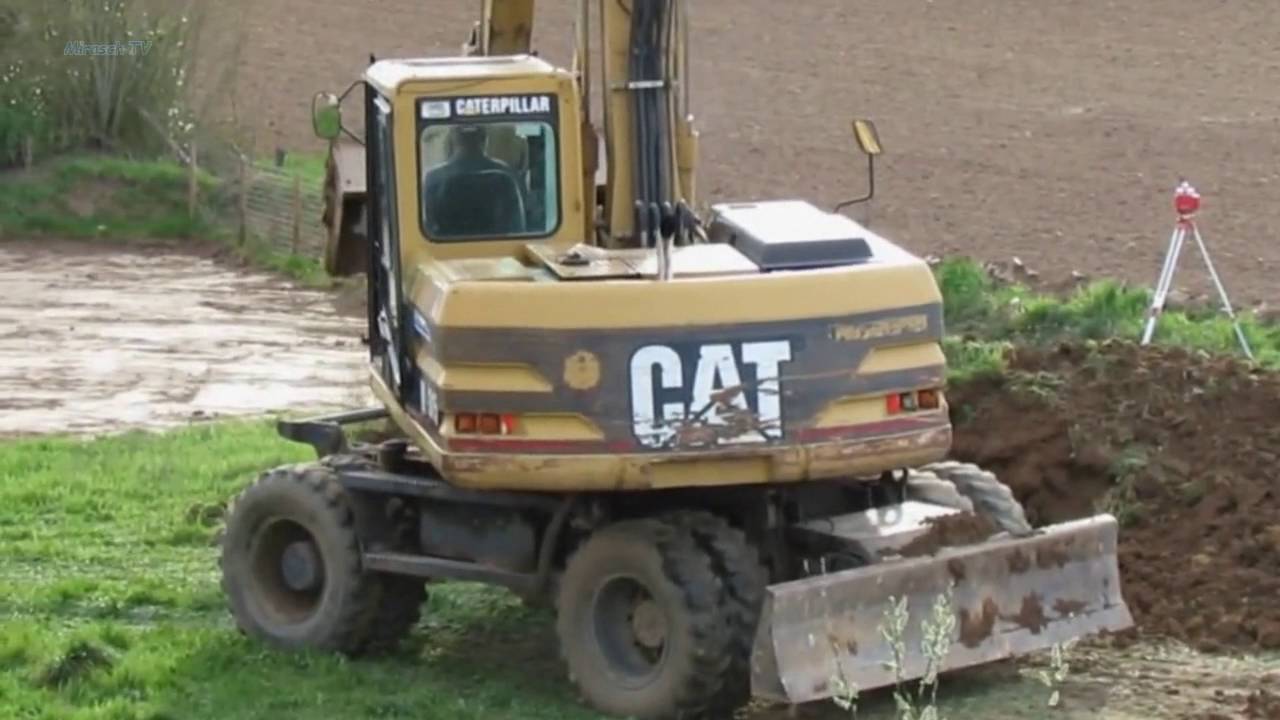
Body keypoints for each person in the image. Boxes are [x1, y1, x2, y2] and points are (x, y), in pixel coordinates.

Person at [422, 124, 527, 237]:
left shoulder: (433, 177)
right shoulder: (505, 175)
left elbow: (429, 226)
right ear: (485, 140)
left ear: (453, 140)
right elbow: (518, 229)